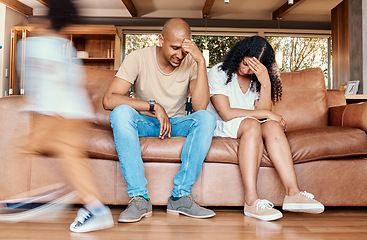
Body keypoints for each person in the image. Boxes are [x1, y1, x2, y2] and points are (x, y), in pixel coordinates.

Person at [13, 0, 114, 232]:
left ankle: (90, 206)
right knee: (67, 156)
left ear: (46, 20)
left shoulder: (32, 46)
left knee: (35, 149)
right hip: (73, 112)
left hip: (58, 112)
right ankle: (92, 205)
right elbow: (68, 79)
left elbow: (45, 81)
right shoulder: (64, 47)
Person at [103, 18, 216, 222]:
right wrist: (153, 106)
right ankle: (139, 198)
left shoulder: (191, 62)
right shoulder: (138, 57)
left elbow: (199, 107)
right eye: (174, 48)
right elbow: (109, 99)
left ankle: (180, 196)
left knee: (206, 118)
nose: (179, 55)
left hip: (176, 124)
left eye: (184, 50)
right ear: (161, 39)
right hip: (145, 123)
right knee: (119, 113)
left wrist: (200, 62)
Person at [206, 36, 324, 221]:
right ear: (240, 55)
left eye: (253, 68)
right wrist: (266, 115)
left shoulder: (256, 80)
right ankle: (251, 201)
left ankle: (293, 193)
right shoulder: (218, 72)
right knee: (255, 123)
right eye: (245, 63)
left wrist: (266, 82)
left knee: (273, 126)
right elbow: (227, 113)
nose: (246, 70)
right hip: (220, 125)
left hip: (245, 125)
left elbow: (265, 112)